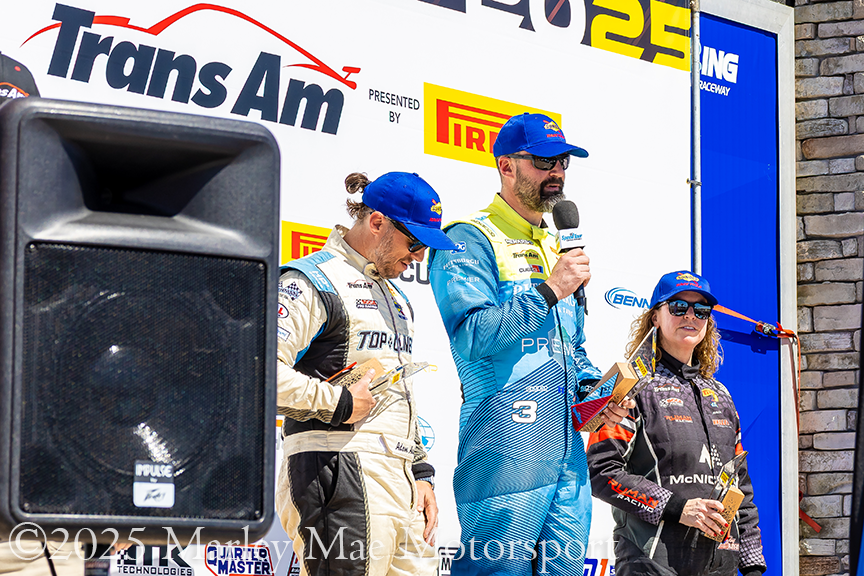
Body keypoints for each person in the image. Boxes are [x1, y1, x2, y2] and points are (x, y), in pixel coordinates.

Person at [428, 112, 630, 576]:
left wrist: (597, 395)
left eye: (562, 161)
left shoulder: (557, 243)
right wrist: (548, 291)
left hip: (565, 454)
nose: (556, 172)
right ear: (506, 166)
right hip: (505, 447)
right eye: (543, 161)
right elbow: (474, 336)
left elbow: (570, 349)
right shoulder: (470, 238)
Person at [274, 171, 457, 576]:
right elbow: (260, 372)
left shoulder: (396, 297)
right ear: (377, 223)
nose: (419, 257)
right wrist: (337, 401)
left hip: (400, 476)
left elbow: (396, 393)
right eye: (415, 243)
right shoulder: (312, 279)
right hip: (338, 463)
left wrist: (420, 473)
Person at [586, 270, 766, 576]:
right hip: (652, 563)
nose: (691, 316)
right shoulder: (631, 386)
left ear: (709, 321)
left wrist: (752, 566)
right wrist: (679, 508)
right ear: (655, 317)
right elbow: (601, 472)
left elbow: (741, 488)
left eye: (701, 310)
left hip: (720, 566)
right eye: (679, 307)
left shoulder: (720, 395)